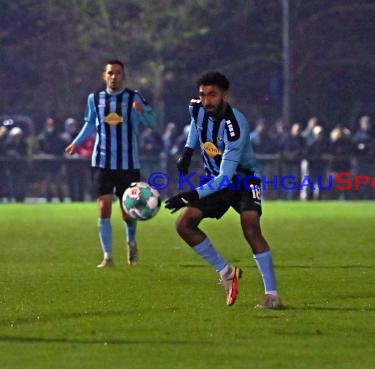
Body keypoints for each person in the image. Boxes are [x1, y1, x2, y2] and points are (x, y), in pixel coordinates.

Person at [165, 71, 282, 309]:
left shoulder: (235, 127)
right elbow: (195, 125)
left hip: (243, 180)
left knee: (251, 228)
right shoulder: (197, 108)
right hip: (214, 177)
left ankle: (272, 295)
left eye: (213, 95)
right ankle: (226, 271)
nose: (207, 101)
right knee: (183, 225)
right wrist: (188, 151)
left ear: (224, 95)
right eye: (203, 95)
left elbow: (226, 179)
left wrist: (190, 194)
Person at [65, 59, 156, 268]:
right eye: (110, 73)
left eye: (118, 73)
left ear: (123, 76)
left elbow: (152, 124)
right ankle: (107, 257)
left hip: (128, 164)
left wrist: (143, 111)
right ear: (104, 76)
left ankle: (131, 242)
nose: (114, 76)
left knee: (127, 212)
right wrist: (76, 143)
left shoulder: (134, 98)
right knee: (104, 206)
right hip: (102, 162)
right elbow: (90, 124)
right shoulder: (94, 99)